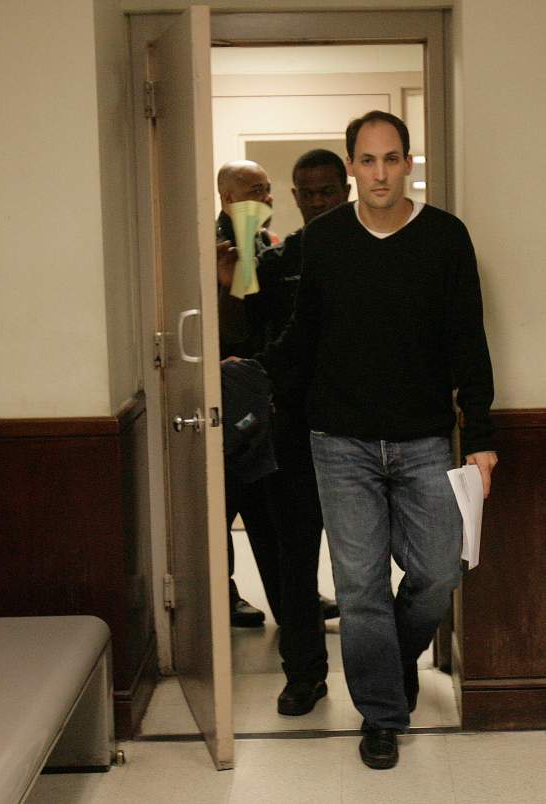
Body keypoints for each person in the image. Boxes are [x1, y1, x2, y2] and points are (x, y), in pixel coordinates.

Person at [257, 112, 497, 769]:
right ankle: (383, 714)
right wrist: (256, 376)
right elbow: (305, 336)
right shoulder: (325, 242)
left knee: (437, 574)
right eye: (368, 161)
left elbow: (468, 341)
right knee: (359, 588)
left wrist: (480, 433)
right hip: (341, 442)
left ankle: (390, 658)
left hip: (422, 439)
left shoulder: (446, 239)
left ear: (409, 162)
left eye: (393, 159)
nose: (381, 173)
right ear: (353, 166)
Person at [252, 148, 352, 715]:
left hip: (353, 428)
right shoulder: (276, 262)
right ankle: (304, 674)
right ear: (294, 196)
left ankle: (376, 677)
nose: (316, 203)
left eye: (327, 193)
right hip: (290, 431)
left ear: (345, 190)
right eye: (307, 193)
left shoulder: (365, 253)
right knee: (295, 558)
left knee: (360, 562)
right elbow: (253, 337)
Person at [215, 160, 279, 629]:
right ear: (230, 199)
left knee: (268, 507)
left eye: (269, 189)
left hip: (262, 389)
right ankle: (226, 595)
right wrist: (231, 275)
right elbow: (235, 323)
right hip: (223, 396)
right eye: (257, 190)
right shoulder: (214, 246)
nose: (268, 198)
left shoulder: (261, 242)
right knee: (225, 505)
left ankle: (290, 599)